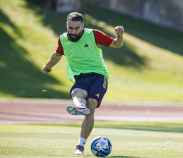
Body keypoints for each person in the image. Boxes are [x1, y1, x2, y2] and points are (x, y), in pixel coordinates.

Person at [42, 12, 124, 155]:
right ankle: (80, 107)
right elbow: (56, 56)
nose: (73, 31)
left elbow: (116, 44)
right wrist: (48, 67)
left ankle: (80, 144)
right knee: (77, 92)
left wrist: (120, 35)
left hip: (99, 75)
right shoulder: (63, 39)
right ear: (67, 26)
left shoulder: (93, 35)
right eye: (70, 28)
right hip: (80, 77)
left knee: (91, 104)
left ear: (83, 26)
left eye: (76, 28)